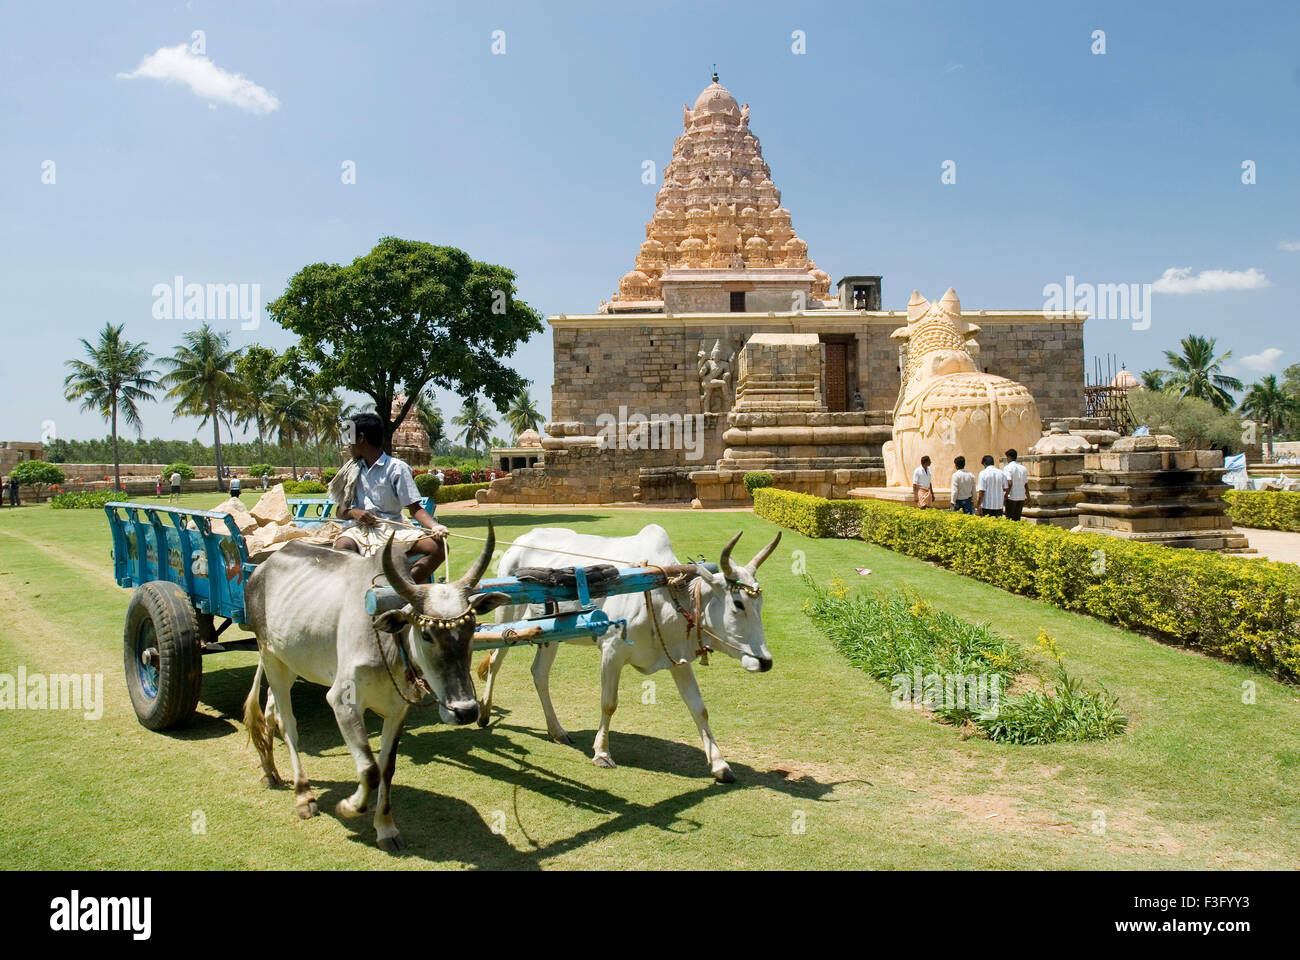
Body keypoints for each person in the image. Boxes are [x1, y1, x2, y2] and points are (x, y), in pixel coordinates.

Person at [328, 412, 449, 583]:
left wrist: (436, 526)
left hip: (393, 530)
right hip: (360, 531)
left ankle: (404, 589)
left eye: (350, 438)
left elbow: (415, 508)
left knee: (440, 547)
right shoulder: (352, 470)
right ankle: (355, 589)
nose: (348, 445)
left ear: (361, 438)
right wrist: (354, 513)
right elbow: (340, 512)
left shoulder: (397, 468)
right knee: (342, 547)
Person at [1003, 448, 1028, 521]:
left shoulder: (1007, 468)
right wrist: (1028, 498)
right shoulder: (1023, 468)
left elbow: (1009, 483)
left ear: (1009, 457)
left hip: (1012, 497)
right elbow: (1026, 484)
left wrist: (1006, 495)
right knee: (1017, 519)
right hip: (1021, 497)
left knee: (1010, 519)